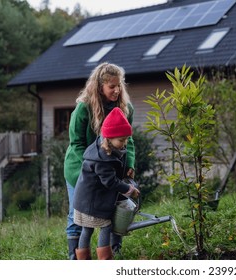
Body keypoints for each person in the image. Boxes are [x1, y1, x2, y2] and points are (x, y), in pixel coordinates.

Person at [63, 62, 136, 260]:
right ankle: (75, 258)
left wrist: (129, 165)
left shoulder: (125, 107)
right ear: (99, 86)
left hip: (111, 167)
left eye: (119, 85)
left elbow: (128, 140)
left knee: (116, 206)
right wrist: (90, 171)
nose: (117, 89)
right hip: (81, 168)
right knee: (78, 211)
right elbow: (77, 143)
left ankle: (115, 250)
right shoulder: (83, 108)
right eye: (112, 86)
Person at [73, 107, 140, 260]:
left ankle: (83, 261)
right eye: (121, 140)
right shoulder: (102, 158)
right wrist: (129, 190)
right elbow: (110, 182)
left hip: (85, 200)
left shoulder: (103, 149)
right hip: (92, 202)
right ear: (109, 138)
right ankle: (105, 260)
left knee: (87, 229)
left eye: (126, 140)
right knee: (106, 226)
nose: (124, 144)